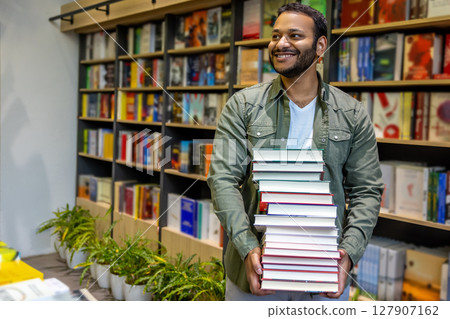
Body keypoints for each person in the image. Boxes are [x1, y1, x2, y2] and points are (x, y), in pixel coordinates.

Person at [207, 3, 383, 301]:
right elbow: (222, 179)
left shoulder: (352, 113)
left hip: (324, 274)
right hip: (256, 273)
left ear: (320, 46)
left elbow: (367, 190)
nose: (281, 43)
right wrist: (247, 246)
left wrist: (348, 255)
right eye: (275, 36)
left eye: (294, 35)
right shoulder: (243, 105)